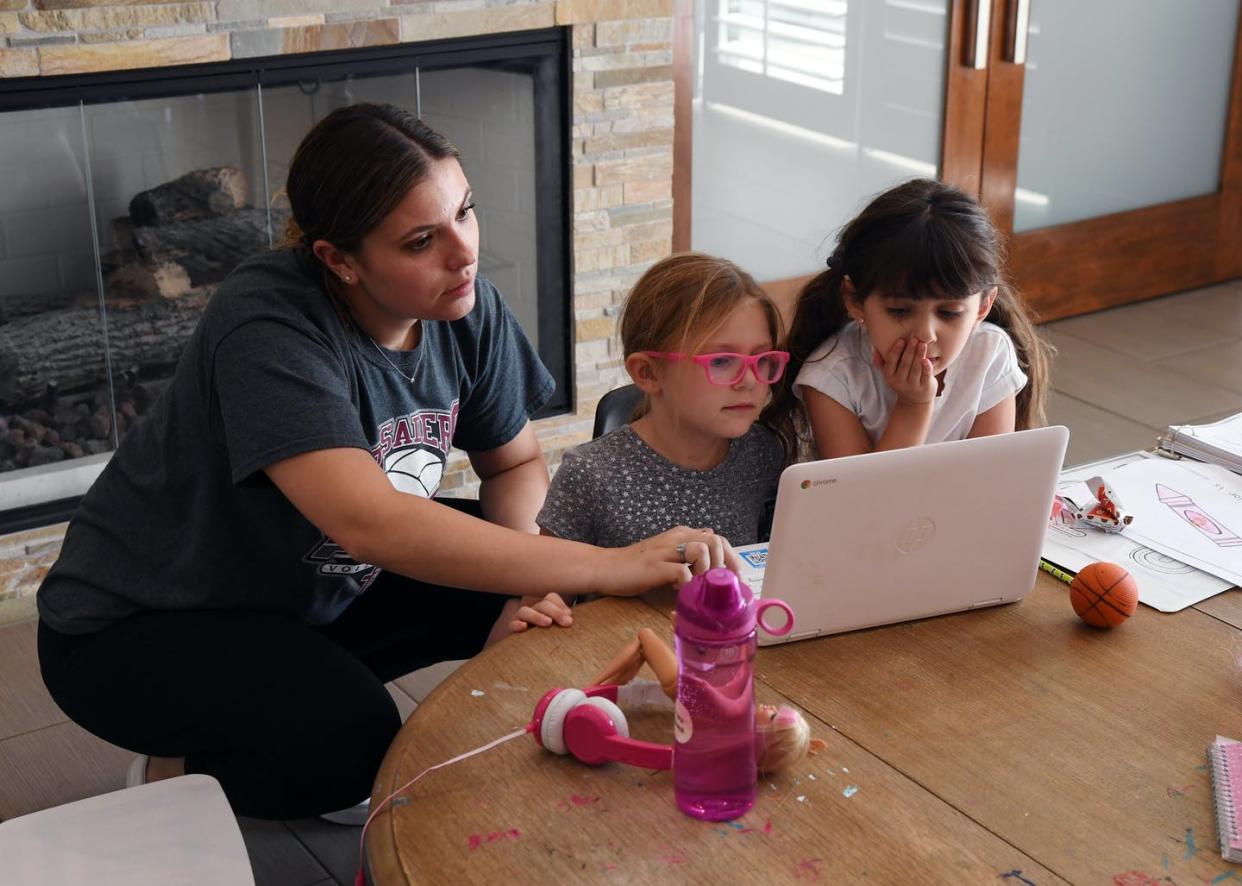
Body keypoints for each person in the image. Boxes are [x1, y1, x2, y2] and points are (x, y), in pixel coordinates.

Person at [35, 103, 733, 823]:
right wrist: (596, 560)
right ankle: (177, 770)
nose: (463, 253)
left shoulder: (466, 306)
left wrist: (532, 581)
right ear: (339, 259)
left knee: (550, 596)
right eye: (422, 240)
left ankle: (325, 700)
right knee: (354, 746)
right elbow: (369, 523)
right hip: (139, 626)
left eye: (465, 213)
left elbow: (513, 463)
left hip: (308, 586)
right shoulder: (266, 322)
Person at [537, 252, 796, 550]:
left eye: (762, 359)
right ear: (648, 373)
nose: (750, 380)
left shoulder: (763, 453)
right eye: (722, 360)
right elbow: (542, 593)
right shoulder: (589, 476)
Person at [777, 178, 1051, 459]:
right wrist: (913, 406)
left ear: (982, 308)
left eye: (949, 313)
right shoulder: (831, 377)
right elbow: (863, 498)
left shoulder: (988, 353)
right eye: (899, 310)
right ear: (855, 300)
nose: (925, 334)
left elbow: (991, 476)